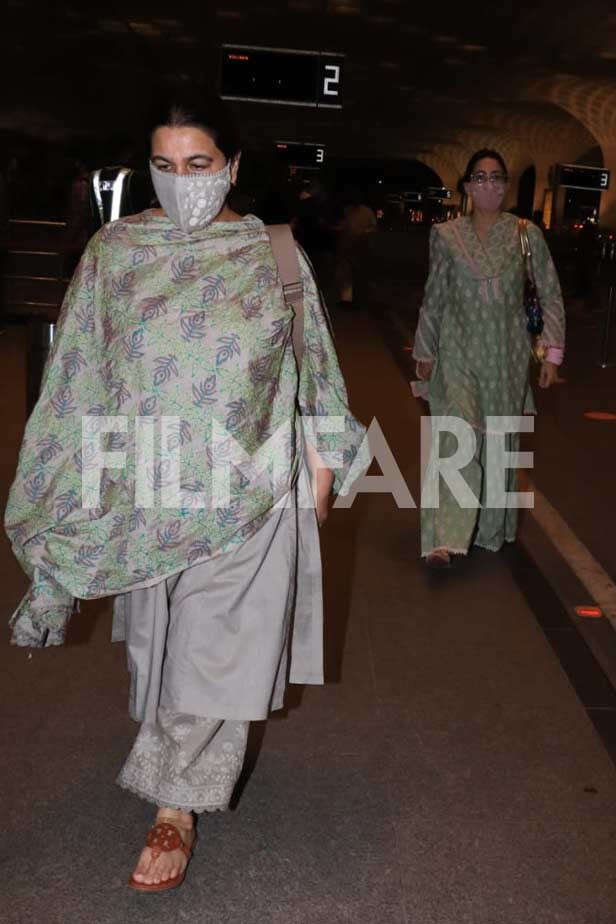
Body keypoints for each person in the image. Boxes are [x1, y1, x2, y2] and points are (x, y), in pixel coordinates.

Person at [4, 92, 368, 891]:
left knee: (213, 652)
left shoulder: (271, 252)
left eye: (198, 165)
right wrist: (71, 487)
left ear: (232, 166)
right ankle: (175, 766)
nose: (181, 182)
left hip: (250, 492)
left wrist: (323, 464)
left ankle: (174, 810)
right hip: (148, 488)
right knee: (161, 649)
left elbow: (314, 366)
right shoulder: (115, 253)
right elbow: (75, 380)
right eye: (163, 167)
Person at [412, 149, 565, 569]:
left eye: (497, 178)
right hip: (457, 352)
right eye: (480, 177)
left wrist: (551, 354)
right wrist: (425, 352)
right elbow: (434, 299)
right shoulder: (446, 236)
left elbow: (548, 292)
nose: (489, 185)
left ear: (506, 186)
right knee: (455, 436)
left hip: (507, 358)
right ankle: (444, 538)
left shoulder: (525, 234)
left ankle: (488, 529)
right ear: (466, 186)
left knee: (498, 442)